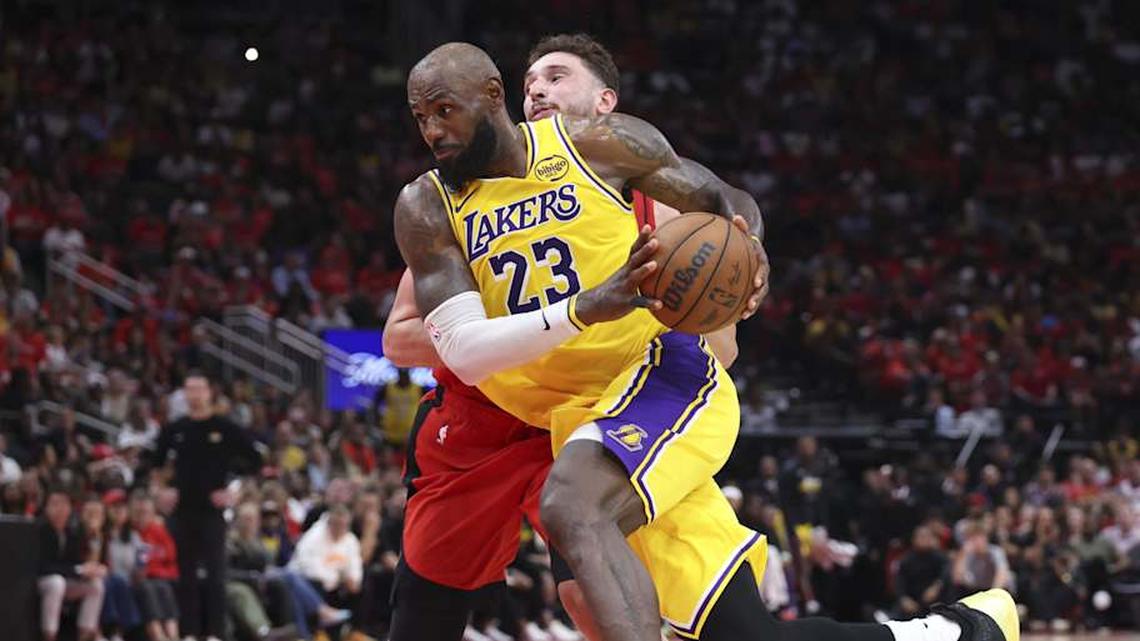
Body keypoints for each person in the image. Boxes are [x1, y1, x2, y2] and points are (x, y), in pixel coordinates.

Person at [395, 41, 1016, 641]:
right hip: (566, 424)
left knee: (571, 509)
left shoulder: (596, 150)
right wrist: (586, 308)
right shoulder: (428, 205)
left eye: (444, 110)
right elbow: (459, 348)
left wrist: (751, 254)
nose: (432, 130)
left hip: (654, 381)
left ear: (490, 95)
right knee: (746, 635)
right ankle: (954, 632)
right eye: (421, 116)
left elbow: (725, 201)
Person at [383, 33, 740, 641]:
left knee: (599, 596)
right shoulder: (437, 204)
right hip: (486, 415)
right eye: (531, 84)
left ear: (605, 102)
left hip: (599, 414)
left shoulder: (655, 199)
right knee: (428, 606)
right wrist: (574, 315)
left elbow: (720, 344)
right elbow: (406, 338)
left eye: (556, 77)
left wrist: (742, 268)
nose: (540, 90)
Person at [152, 370, 263, 641]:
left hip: (212, 512)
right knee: (185, 574)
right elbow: (154, 465)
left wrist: (234, 492)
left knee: (216, 575)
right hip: (181, 512)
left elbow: (255, 461)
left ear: (209, 392)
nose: (194, 395)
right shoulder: (175, 428)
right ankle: (188, 632)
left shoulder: (224, 427)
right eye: (189, 389)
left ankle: (215, 633)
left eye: (199, 389)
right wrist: (161, 491)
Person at [38, 488, 107, 641]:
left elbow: (76, 562)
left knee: (96, 586)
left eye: (64, 504)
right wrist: (80, 569)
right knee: (57, 583)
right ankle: (49, 635)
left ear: (70, 508)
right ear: (46, 508)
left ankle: (85, 635)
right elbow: (42, 565)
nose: (60, 509)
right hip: (41, 580)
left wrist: (92, 569)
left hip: (64, 579)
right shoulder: (39, 530)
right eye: (55, 504)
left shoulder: (72, 531)